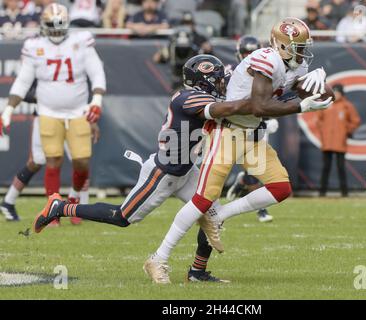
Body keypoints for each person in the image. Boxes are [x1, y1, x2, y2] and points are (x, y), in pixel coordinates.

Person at [32, 54, 275, 282]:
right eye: (219, 80)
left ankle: (197, 271)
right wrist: (258, 104)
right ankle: (61, 207)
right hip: (163, 174)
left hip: (187, 171)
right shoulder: (188, 98)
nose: (222, 84)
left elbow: (231, 102)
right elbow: (229, 109)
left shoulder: (204, 96)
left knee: (213, 216)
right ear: (206, 81)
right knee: (122, 217)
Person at [144, 18, 333, 284]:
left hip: (252, 135)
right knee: (203, 200)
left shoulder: (296, 62)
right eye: (296, 46)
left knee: (280, 188)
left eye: (303, 46)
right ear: (279, 44)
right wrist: (301, 106)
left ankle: (220, 216)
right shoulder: (267, 59)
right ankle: (158, 258)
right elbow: (259, 106)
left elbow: (324, 96)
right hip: (228, 132)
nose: (302, 52)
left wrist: (321, 83)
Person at [0, 3, 106, 227]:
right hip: (48, 112)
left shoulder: (81, 41)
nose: (57, 31)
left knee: (81, 161)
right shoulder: (34, 46)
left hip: (78, 111)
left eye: (60, 26)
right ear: (43, 25)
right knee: (52, 160)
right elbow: (23, 81)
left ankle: (75, 200)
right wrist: (9, 108)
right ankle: (52, 210)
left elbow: (96, 72)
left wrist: (96, 100)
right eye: (52, 26)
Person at [225, 35, 275, 223]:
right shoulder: (230, 72)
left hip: (256, 125)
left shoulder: (267, 71)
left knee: (258, 167)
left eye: (252, 52)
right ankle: (243, 181)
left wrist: (268, 120)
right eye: (246, 52)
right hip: (231, 126)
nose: (249, 56)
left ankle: (261, 208)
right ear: (239, 53)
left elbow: (269, 100)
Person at [316, 84, 361, 197]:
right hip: (327, 142)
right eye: (334, 92)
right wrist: (324, 131)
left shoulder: (347, 106)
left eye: (338, 92)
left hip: (340, 141)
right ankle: (322, 192)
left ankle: (344, 192)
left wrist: (347, 129)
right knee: (326, 167)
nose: (336, 94)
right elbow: (318, 120)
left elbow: (355, 120)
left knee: (341, 167)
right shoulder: (326, 104)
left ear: (342, 93)